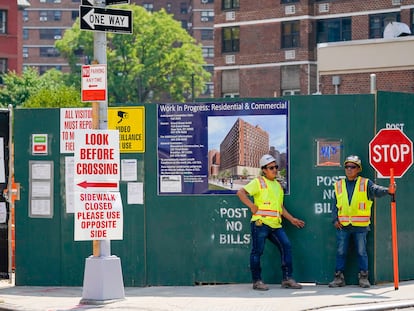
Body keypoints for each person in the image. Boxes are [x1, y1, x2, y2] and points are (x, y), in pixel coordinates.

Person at [237, 154, 305, 291]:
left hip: (275, 225)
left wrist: (292, 219)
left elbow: (280, 207)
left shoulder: (278, 186)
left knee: (286, 246)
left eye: (276, 167)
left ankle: (287, 279)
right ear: (264, 170)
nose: (275, 170)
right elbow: (241, 193)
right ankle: (257, 281)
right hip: (260, 224)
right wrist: (251, 205)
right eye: (271, 167)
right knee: (257, 252)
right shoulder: (258, 182)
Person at [329, 155, 395, 288]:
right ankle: (338, 278)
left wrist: (388, 191)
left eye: (352, 167)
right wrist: (335, 219)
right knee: (341, 251)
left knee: (361, 252)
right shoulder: (339, 185)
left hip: (361, 226)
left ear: (358, 169)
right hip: (343, 226)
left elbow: (376, 190)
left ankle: (364, 278)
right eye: (347, 166)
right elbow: (335, 204)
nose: (349, 169)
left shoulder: (365, 183)